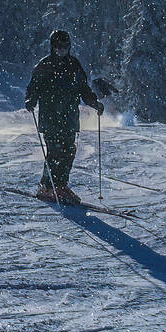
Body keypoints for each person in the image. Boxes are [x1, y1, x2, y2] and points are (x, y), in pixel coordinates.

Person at [24, 29, 103, 206]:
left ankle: (60, 186)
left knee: (69, 151)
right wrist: (31, 100)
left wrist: (94, 102)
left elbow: (84, 89)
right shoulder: (45, 65)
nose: (62, 50)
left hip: (69, 117)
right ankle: (47, 186)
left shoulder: (74, 65)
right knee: (55, 151)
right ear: (53, 47)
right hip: (50, 117)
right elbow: (33, 87)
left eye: (65, 47)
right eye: (58, 47)